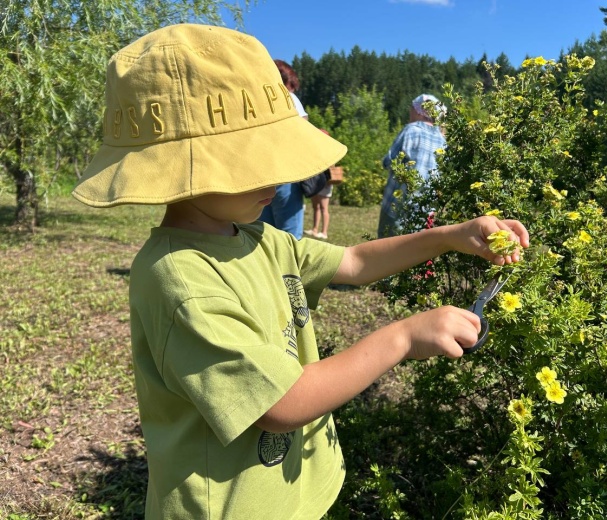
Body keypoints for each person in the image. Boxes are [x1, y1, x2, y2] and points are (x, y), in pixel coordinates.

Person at [71, 24, 529, 520]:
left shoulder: (254, 236)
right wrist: (401, 338)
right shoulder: (180, 279)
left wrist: (448, 236)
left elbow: (352, 262)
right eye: (254, 161)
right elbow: (281, 405)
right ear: (187, 169)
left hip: (288, 495)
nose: (279, 176)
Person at [378, 93, 447, 238]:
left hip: (397, 204)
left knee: (386, 249)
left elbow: (389, 161)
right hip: (425, 209)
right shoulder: (442, 139)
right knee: (415, 252)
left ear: (418, 111)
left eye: (412, 108)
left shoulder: (411, 130)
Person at [258, 59, 309, 239]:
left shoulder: (253, 98)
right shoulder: (287, 97)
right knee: (290, 238)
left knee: (262, 236)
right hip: (286, 174)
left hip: (258, 176)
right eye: (291, 85)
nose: (293, 90)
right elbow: (303, 132)